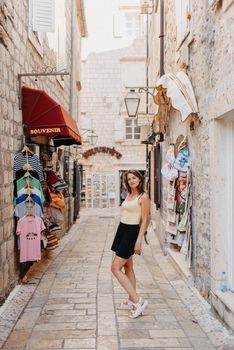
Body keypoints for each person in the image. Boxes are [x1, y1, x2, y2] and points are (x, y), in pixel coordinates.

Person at [111, 170, 151, 318]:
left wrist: (139, 240)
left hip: (132, 233)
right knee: (128, 266)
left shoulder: (144, 197)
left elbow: (145, 220)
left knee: (115, 268)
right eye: (129, 179)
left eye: (134, 178)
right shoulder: (129, 194)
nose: (131, 181)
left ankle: (137, 301)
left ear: (140, 179)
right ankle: (130, 300)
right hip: (122, 229)